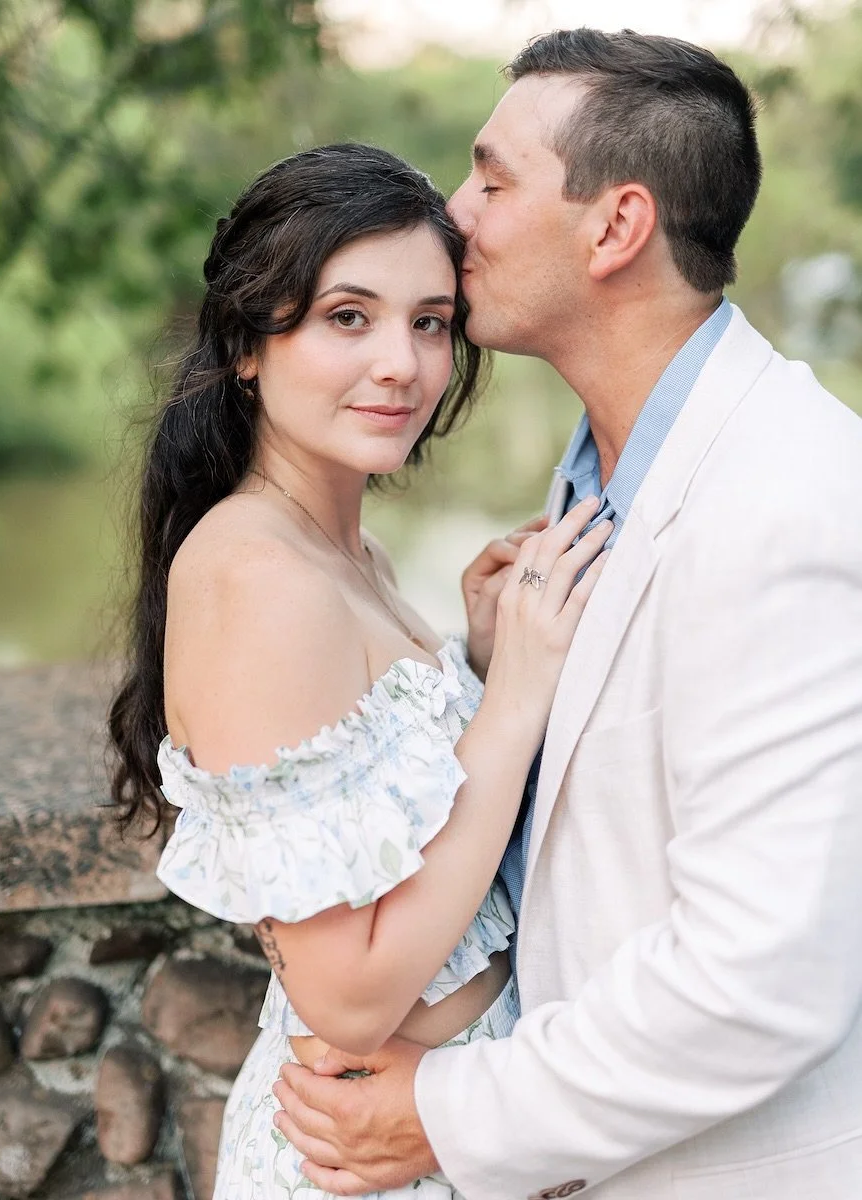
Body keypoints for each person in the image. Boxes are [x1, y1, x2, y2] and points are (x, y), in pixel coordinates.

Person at [273, 29, 862, 1200]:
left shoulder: (792, 502)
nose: (455, 212)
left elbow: (760, 979)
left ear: (616, 227)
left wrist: (444, 1114)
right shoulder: (603, 463)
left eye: (493, 180)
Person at [107, 142, 609, 1200]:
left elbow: (402, 833)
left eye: (430, 321)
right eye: (349, 316)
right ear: (249, 344)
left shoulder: (347, 552)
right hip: (366, 1163)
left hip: (444, 1128)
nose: (402, 364)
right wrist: (512, 699)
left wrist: (472, 658)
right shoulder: (255, 575)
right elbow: (347, 992)